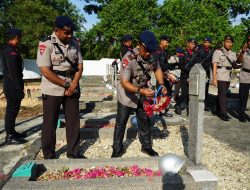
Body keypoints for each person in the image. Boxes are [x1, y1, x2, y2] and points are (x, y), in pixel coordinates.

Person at [112, 31, 167, 158]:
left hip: (143, 90)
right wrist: (141, 91)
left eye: (150, 51)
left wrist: (161, 84)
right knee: (121, 121)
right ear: (139, 45)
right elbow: (124, 82)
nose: (148, 54)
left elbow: (157, 69)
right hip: (127, 93)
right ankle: (117, 149)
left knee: (145, 120)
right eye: (146, 50)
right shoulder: (128, 58)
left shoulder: (152, 55)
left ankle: (146, 146)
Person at [36, 16, 84, 159]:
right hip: (52, 88)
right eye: (66, 33)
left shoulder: (75, 43)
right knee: (50, 122)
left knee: (73, 121)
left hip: (72, 85)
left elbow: (80, 66)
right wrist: (66, 84)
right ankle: (49, 154)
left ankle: (73, 152)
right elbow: (45, 70)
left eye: (71, 33)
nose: (69, 36)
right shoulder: (46, 44)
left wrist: (74, 83)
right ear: (56, 31)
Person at [1, 28, 27, 145]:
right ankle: (10, 136)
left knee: (14, 109)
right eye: (20, 36)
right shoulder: (9, 51)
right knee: (11, 110)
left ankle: (12, 131)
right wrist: (19, 88)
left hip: (13, 84)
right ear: (16, 37)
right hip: (12, 85)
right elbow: (13, 72)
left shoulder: (12, 49)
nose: (20, 38)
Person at [212, 35, 237, 121]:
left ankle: (218, 110)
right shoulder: (218, 52)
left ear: (232, 43)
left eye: (230, 42)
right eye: (227, 42)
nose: (228, 44)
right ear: (224, 42)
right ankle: (224, 113)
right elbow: (214, 65)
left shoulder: (233, 54)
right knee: (223, 95)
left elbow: (236, 64)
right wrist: (214, 78)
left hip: (228, 76)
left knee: (222, 93)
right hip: (220, 75)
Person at [175, 38, 197, 115]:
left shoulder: (195, 54)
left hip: (192, 76)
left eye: (194, 44)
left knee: (190, 93)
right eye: (191, 44)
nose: (193, 45)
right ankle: (177, 105)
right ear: (187, 44)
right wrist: (189, 70)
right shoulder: (183, 53)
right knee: (184, 93)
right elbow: (181, 65)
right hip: (184, 75)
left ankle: (189, 108)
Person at [156, 35, 174, 117]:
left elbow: (166, 64)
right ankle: (160, 110)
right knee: (161, 93)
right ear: (162, 41)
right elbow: (159, 64)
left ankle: (164, 109)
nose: (168, 44)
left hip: (165, 74)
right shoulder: (157, 51)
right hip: (160, 75)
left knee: (168, 93)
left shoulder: (164, 51)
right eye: (167, 42)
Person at [196, 37, 214, 111]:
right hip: (200, 70)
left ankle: (204, 103)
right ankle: (197, 103)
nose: (206, 44)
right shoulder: (199, 49)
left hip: (207, 71)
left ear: (210, 43)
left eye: (208, 42)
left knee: (206, 88)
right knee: (198, 87)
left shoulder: (211, 51)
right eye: (205, 42)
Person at [237, 34, 250, 123]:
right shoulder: (244, 51)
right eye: (249, 40)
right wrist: (242, 52)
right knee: (243, 97)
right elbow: (238, 61)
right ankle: (241, 115)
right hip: (245, 75)